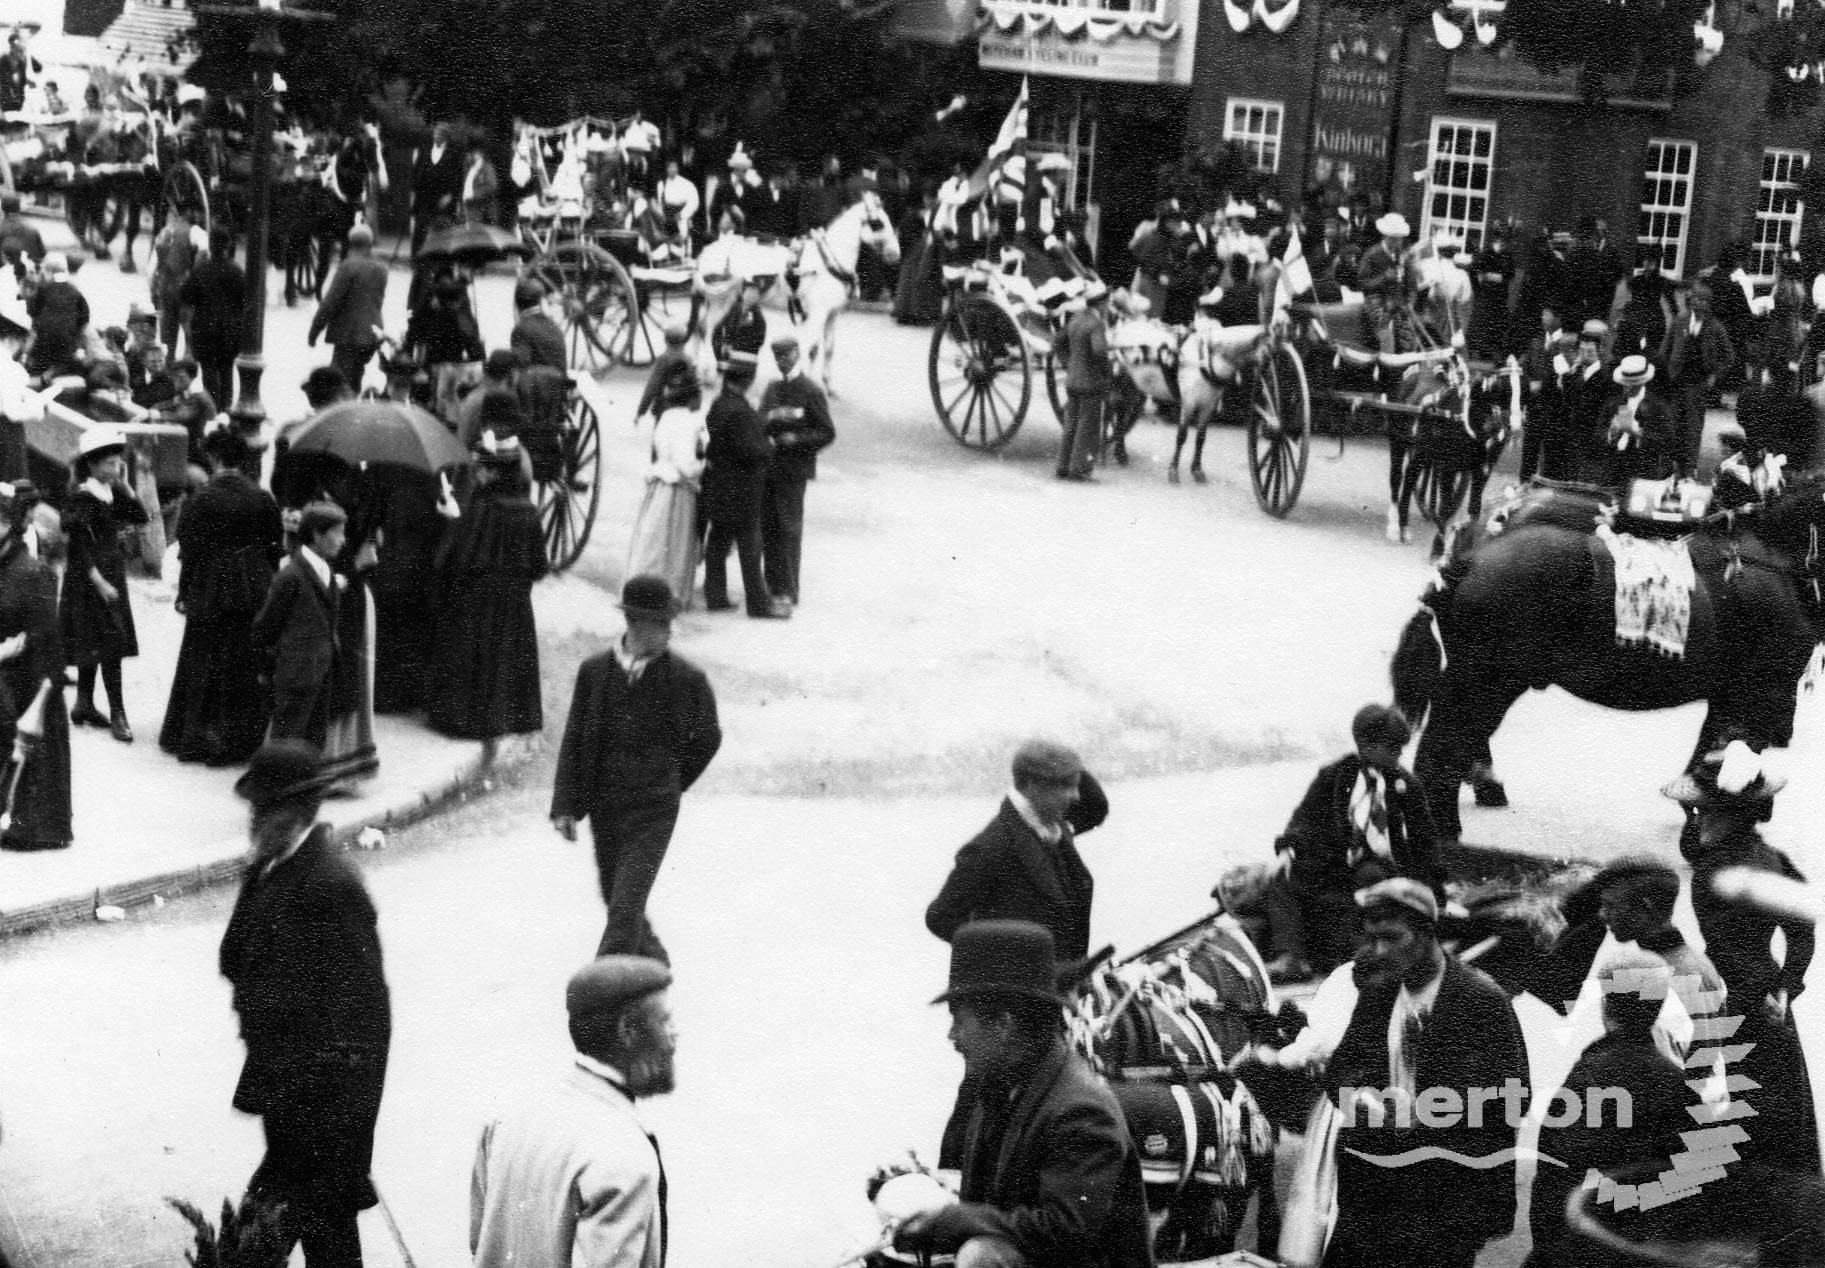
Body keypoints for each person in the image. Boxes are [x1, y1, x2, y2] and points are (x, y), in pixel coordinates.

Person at [1247, 879, 1529, 1268]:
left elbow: (1513, 1097)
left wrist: (1427, 1112)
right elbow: (1342, 1070)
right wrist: (1358, 1100)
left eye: (1392, 937)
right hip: (1376, 1187)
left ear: (1428, 933)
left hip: (1444, 1195)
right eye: (1373, 938)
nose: (1379, 951)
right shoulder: (1379, 992)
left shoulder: (1481, 1002)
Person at [219, 740, 391, 1268]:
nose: (251, 819)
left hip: (322, 1108)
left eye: (260, 808)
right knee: (327, 1237)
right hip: (288, 1093)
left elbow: (368, 1019)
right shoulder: (273, 868)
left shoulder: (330, 885)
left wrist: (349, 1128)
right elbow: (232, 956)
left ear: (291, 813)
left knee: (256, 1239)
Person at [894, 919, 1153, 1268]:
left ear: (1003, 1024)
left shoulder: (1081, 1109)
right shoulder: (998, 1087)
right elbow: (994, 1204)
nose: (952, 1036)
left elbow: (1065, 1232)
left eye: (959, 1020)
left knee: (981, 1257)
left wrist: (955, 1221)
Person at [1666, 739, 1820, 1175]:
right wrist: (1787, 985)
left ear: (1731, 814)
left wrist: (1785, 987)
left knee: (1736, 1103)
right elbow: (1802, 929)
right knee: (1771, 1100)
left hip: (1738, 993)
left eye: (1705, 811)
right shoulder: (1766, 856)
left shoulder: (1736, 866)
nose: (1698, 819)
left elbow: (1803, 925)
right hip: (1755, 989)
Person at [551, 575, 722, 962]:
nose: (667, 633)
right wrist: (564, 805)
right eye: (659, 624)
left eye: (668, 624)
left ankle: (597, 1005)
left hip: (653, 811)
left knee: (625, 907)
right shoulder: (594, 672)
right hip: (605, 807)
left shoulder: (687, 679)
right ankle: (656, 963)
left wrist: (672, 780)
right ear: (633, 623)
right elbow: (574, 739)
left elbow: (708, 738)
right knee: (613, 896)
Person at [470, 955, 675, 1268]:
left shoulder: (508, 1117)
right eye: (666, 1020)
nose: (675, 1034)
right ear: (628, 1030)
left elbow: (479, 1241)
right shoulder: (625, 1154)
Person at [1525, 958, 1702, 1268]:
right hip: (1643, 1246)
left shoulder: (1587, 1076)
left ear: (1606, 1003)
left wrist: (1547, 1249)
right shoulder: (1677, 1080)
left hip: (1586, 1244)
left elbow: (1555, 1174)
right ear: (1657, 1006)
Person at [1249, 704, 1441, 981]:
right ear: (1366, 745)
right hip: (1336, 863)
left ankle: (1366, 949)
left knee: (1371, 877)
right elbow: (1305, 816)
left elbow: (1425, 838)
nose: (1399, 756)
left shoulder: (1405, 785)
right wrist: (1288, 849)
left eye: (1400, 749)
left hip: (1380, 866)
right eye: (1392, 749)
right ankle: (1291, 956)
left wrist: (1433, 883)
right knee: (1282, 880)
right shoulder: (1336, 775)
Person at [160, 421, 282, 766]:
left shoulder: (201, 500)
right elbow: (274, 547)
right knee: (243, 659)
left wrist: (185, 592)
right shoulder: (261, 497)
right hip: (252, 586)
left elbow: (189, 551)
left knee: (203, 658)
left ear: (213, 459)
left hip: (211, 586)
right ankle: (240, 738)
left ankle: (198, 734)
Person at [925, 741, 1112, 962]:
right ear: (1032, 786)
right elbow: (940, 918)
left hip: (1062, 985)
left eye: (1076, 785)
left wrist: (1063, 763)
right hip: (1020, 990)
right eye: (1066, 786)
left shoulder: (1054, 826)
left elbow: (1095, 806)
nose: (1076, 796)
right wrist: (1014, 960)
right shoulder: (990, 847)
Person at [428, 431, 546, 742]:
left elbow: (460, 557)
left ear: (494, 472)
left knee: (472, 654)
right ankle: (498, 719)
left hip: (477, 599)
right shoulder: (528, 511)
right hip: (515, 601)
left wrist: (452, 520)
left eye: (482, 467)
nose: (478, 473)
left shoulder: (481, 509)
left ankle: (462, 718)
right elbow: (539, 566)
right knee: (503, 656)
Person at [60, 428, 148, 744]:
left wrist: (125, 484)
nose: (115, 469)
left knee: (97, 637)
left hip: (111, 569)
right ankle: (117, 713)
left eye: (117, 464)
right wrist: (97, 580)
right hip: (91, 576)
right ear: (93, 465)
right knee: (109, 641)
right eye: (110, 464)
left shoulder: (111, 491)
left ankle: (83, 704)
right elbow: (77, 545)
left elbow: (140, 516)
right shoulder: (84, 496)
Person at [0, 481, 71, 853]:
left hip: (31, 687)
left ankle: (34, 826)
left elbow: (49, 648)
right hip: (8, 680)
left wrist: (41, 699)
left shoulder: (31, 573)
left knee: (35, 764)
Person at [252, 501, 346, 751]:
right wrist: (268, 668)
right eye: (337, 533)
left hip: (322, 670)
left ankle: (304, 786)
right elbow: (265, 626)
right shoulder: (291, 576)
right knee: (288, 740)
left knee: (313, 740)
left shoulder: (327, 570)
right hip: (295, 674)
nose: (342, 540)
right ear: (316, 534)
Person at [701, 352, 787, 619]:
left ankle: (715, 596)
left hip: (719, 486)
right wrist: (768, 446)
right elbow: (751, 450)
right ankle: (758, 603)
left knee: (717, 543)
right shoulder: (741, 411)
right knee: (750, 549)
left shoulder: (719, 404)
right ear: (748, 380)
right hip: (743, 491)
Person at [758, 333, 834, 608]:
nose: (782, 362)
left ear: (797, 354)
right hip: (770, 468)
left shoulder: (811, 390)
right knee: (769, 528)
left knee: (789, 529)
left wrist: (797, 441)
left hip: (794, 471)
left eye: (787, 356)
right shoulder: (772, 388)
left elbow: (827, 432)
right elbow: (760, 422)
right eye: (778, 357)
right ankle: (771, 587)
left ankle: (789, 590)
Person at [625, 361, 705, 609]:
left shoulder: (667, 417)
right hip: (677, 488)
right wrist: (701, 467)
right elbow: (684, 463)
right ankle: (669, 591)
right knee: (675, 545)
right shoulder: (691, 423)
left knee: (652, 539)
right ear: (692, 398)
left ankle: (643, 587)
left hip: (658, 483)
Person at [1665, 280, 1735, 479]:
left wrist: (1715, 376)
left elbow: (1729, 356)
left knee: (1693, 427)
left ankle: (1690, 468)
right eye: (1697, 299)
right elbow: (1666, 348)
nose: (1700, 304)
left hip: (1699, 383)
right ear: (1691, 300)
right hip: (1677, 380)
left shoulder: (1715, 327)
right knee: (1674, 423)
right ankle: (1672, 465)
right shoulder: (1680, 320)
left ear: (1710, 303)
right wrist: (1666, 372)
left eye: (1705, 300)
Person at [307, 223, 388, 394]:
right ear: (370, 243)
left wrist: (314, 331)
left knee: (337, 383)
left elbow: (330, 303)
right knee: (355, 377)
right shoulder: (381, 268)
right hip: (372, 335)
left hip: (349, 335)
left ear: (350, 243)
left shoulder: (348, 266)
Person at [180, 225, 246, 411]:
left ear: (210, 244)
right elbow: (247, 300)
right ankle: (226, 407)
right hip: (230, 330)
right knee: (226, 369)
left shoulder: (202, 269)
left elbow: (186, 295)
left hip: (204, 327)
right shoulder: (237, 270)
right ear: (228, 245)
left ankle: (213, 407)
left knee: (208, 368)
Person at [1057, 281, 1112, 482]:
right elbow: (1099, 352)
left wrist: (1068, 362)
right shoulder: (1096, 324)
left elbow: (1058, 341)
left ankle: (1063, 466)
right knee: (1087, 425)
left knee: (1070, 423)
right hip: (1090, 382)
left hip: (1072, 380)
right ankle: (1079, 469)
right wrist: (1107, 374)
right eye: (1107, 302)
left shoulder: (1076, 318)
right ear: (1101, 303)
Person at [1592, 355, 1675, 488]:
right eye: (1625, 385)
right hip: (1614, 468)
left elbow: (1667, 442)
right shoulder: (1614, 404)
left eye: (1633, 385)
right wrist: (1611, 433)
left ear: (1642, 382)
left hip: (1643, 469)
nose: (1628, 388)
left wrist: (1637, 433)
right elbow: (1597, 437)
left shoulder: (1658, 407)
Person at [1555, 318, 1612, 481]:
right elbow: (1566, 399)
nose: (1585, 350)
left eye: (1590, 346)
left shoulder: (1605, 377)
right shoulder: (1575, 374)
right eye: (1583, 345)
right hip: (1571, 440)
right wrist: (1572, 371)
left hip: (1591, 441)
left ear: (1600, 348)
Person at [24, 252, 87, 378]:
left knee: (34, 359)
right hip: (66, 342)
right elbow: (84, 317)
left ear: (49, 272)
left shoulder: (44, 288)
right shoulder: (75, 290)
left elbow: (32, 312)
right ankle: (53, 372)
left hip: (44, 341)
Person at [1359, 212, 1414, 353]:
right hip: (1375, 302)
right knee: (1384, 334)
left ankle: (1403, 365)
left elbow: (1412, 285)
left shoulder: (1404, 257)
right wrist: (1384, 277)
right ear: (1385, 236)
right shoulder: (1371, 254)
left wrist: (1410, 303)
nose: (1397, 243)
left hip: (1398, 303)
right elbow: (1363, 283)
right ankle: (1386, 360)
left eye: (1399, 239)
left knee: (1408, 336)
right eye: (1393, 239)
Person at [150, 204, 198, 355]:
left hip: (165, 285)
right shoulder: (194, 232)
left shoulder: (164, 231)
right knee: (188, 329)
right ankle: (187, 360)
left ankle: (169, 361)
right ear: (190, 212)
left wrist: (153, 286)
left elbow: (152, 265)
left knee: (168, 331)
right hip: (185, 285)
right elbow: (201, 258)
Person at [411, 121, 463, 253]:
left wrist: (451, 196)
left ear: (446, 136)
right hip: (424, 197)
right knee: (420, 231)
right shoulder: (425, 150)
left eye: (440, 133)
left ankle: (441, 262)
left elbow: (459, 179)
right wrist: (413, 194)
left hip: (443, 200)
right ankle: (417, 259)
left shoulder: (455, 153)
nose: (436, 135)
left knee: (443, 233)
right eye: (435, 132)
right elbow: (416, 173)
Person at [634, 322, 694, 425]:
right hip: (685, 414)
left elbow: (652, 387)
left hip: (665, 412)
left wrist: (641, 412)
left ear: (666, 341)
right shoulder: (689, 360)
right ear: (684, 341)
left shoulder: (664, 359)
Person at [509, 277, 567, 373]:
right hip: (560, 383)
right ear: (540, 301)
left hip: (539, 385)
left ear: (517, 304)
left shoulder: (521, 329)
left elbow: (521, 367)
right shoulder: (554, 326)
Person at [460, 140, 499, 226]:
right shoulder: (468, 168)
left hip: (482, 208)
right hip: (468, 208)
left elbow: (492, 186)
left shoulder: (487, 167)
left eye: (472, 153)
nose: (469, 155)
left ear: (479, 153)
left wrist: (473, 194)